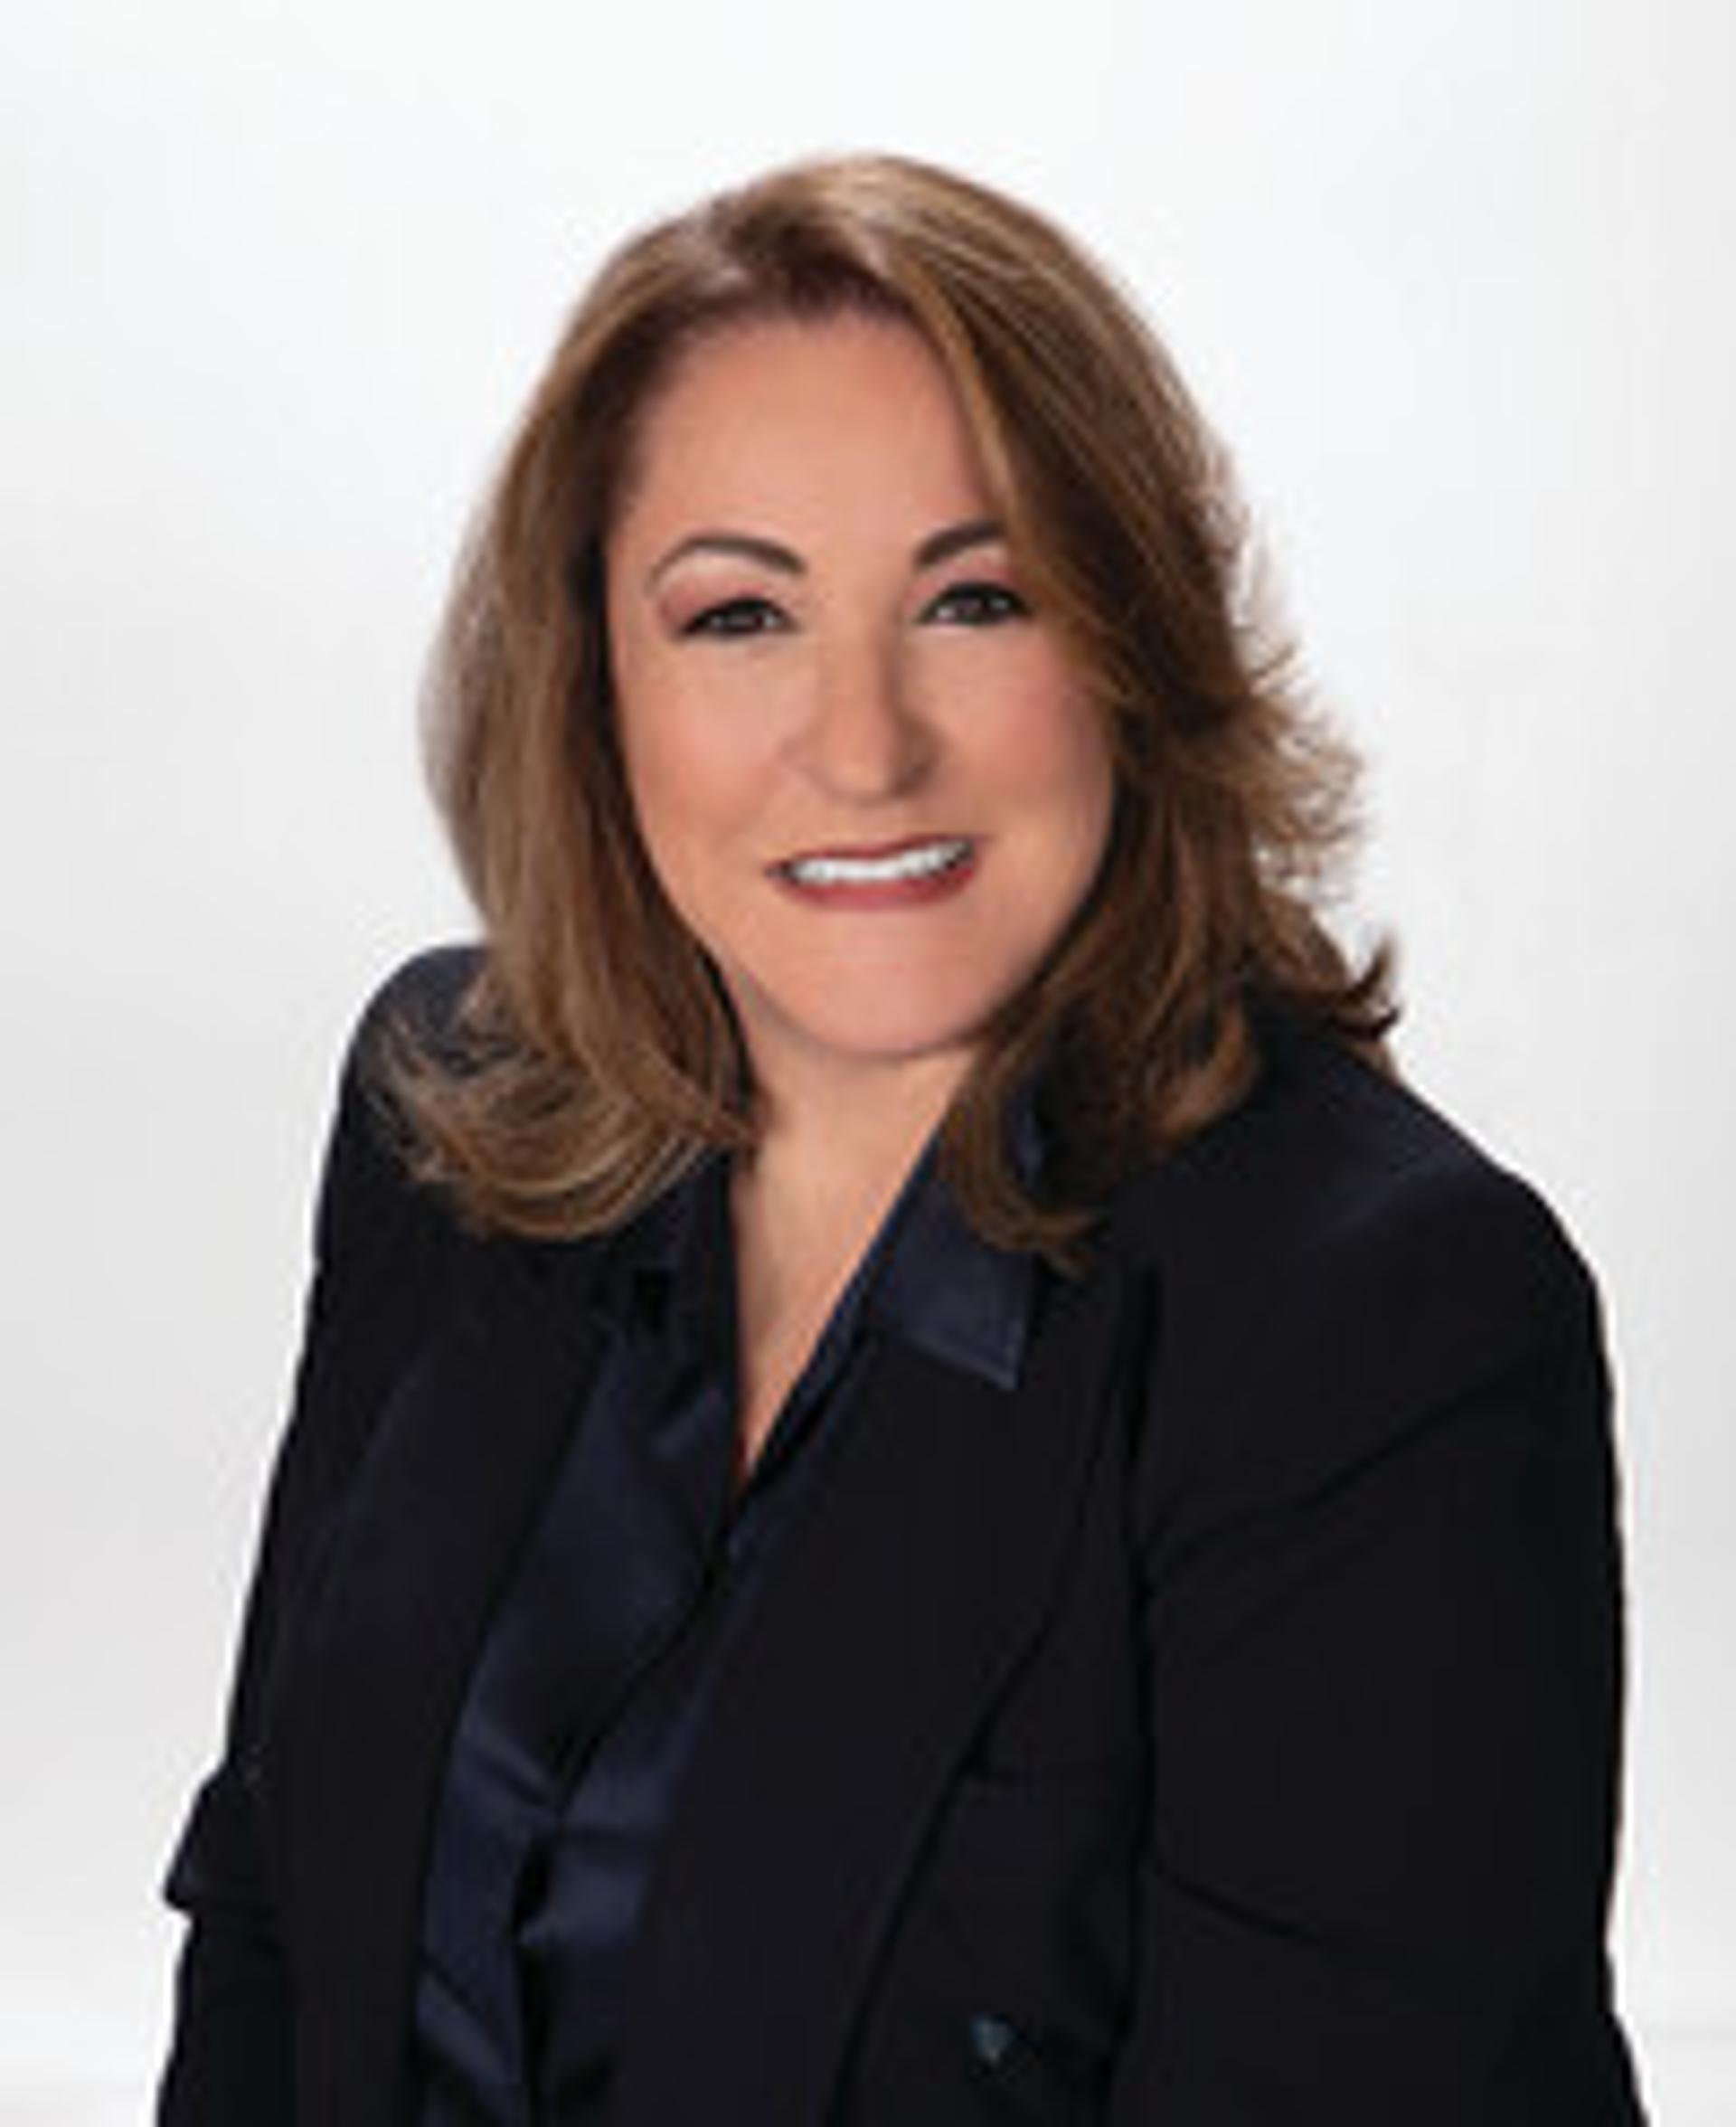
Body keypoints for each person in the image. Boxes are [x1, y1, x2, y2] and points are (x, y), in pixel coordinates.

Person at [157, 153, 1646, 2124]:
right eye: (738, 615)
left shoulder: (1378, 1324)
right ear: (592, 684)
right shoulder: (453, 1112)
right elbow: (277, 1930)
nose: (862, 747)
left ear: (1133, 645)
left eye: (974, 598)